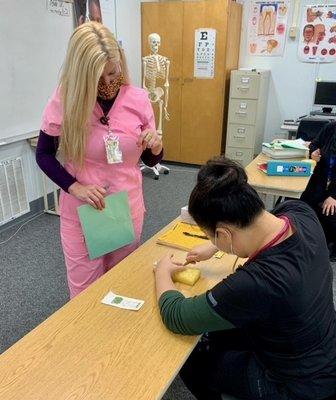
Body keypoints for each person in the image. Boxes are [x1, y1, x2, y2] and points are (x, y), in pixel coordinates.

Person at [154, 157, 336, 400]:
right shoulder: (301, 212)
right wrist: (215, 246)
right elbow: (265, 219)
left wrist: (163, 272)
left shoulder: (256, 281)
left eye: (213, 236)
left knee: (192, 357)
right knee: (220, 332)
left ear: (224, 233)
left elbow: (177, 315)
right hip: (322, 350)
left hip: (295, 385)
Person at [37, 22, 163, 298]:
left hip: (125, 209)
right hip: (84, 211)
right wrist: (74, 187)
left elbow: (151, 161)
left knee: (121, 286)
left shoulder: (138, 100)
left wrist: (155, 145)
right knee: (86, 294)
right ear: (83, 75)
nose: (108, 84)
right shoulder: (65, 100)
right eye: (99, 78)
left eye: (113, 72)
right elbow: (44, 155)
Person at [301, 121, 336, 261]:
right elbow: (314, 144)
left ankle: (331, 244)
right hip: (323, 180)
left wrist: (334, 196)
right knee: (301, 203)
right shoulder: (330, 127)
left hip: (334, 191)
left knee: (330, 212)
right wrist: (313, 152)